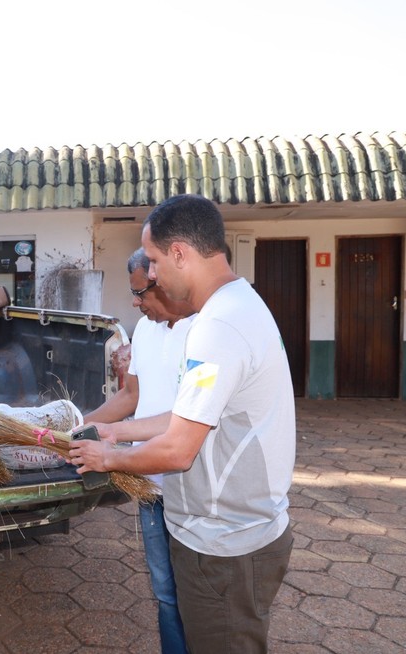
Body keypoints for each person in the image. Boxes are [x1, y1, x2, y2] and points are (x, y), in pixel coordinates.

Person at [70, 194, 295, 653]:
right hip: (227, 534)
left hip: (226, 544)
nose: (149, 275)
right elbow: (189, 416)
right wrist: (117, 430)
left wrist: (108, 456)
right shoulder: (237, 306)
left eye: (152, 261)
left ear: (179, 254)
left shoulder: (219, 327)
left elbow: (178, 449)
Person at [82, 247, 194, 654]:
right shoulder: (146, 330)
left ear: (164, 282)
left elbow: (187, 418)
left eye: (140, 292)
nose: (134, 302)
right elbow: (131, 395)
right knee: (165, 594)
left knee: (198, 599)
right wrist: (83, 426)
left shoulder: (204, 332)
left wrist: (113, 444)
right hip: (150, 485)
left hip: (191, 488)